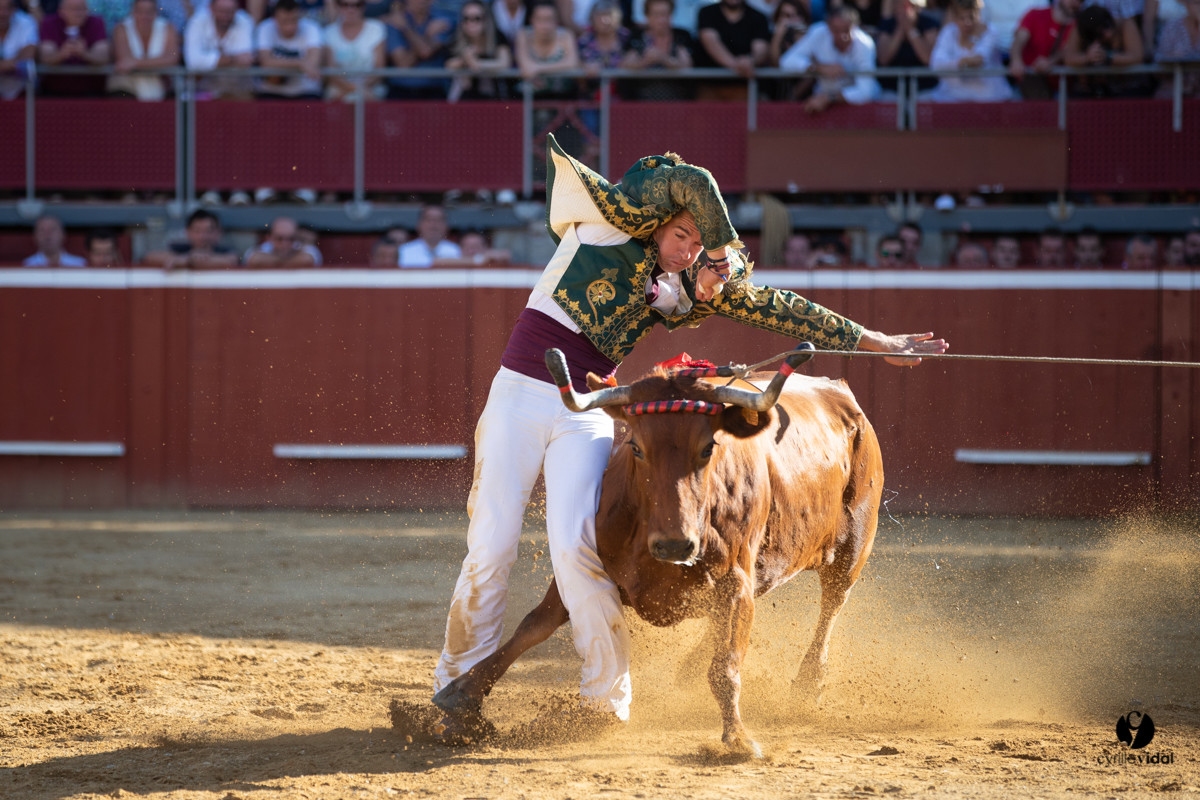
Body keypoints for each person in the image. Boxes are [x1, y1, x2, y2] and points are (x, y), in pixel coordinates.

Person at [430, 135, 949, 736]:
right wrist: (721, 237)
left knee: (581, 551)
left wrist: (879, 343)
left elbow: (786, 311)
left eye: (700, 247)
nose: (687, 252)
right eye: (682, 238)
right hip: (520, 391)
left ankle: (605, 702)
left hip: (590, 407)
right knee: (491, 544)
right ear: (660, 226)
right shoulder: (610, 228)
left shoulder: (684, 290)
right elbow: (691, 181)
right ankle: (453, 684)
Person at [779, 4, 880, 112]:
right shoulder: (818, 32)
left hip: (861, 111)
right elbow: (786, 61)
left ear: (855, 26)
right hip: (822, 109)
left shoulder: (865, 44)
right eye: (836, 31)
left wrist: (829, 98)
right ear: (829, 27)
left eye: (846, 30)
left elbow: (866, 92)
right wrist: (817, 68)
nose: (843, 36)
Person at [926, 0, 1015, 101]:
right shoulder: (948, 32)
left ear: (979, 14)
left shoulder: (990, 32)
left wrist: (972, 40)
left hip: (988, 100)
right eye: (962, 18)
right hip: (953, 98)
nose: (967, 22)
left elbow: (979, 60)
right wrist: (962, 61)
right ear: (954, 18)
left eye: (971, 17)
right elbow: (936, 64)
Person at [693, 0, 770, 100]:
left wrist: (751, 60)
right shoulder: (707, 13)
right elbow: (710, 41)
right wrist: (738, 65)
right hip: (709, 88)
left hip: (744, 89)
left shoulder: (758, 17)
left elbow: (761, 49)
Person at [1062, 4, 1145, 96]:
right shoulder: (1081, 27)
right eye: (1100, 33)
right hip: (1090, 92)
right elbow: (1068, 58)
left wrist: (1108, 57)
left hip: (1126, 91)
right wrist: (1087, 57)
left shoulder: (1125, 24)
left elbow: (1137, 57)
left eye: (1106, 26)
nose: (1108, 34)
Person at [107, 0, 180, 101]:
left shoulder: (168, 28)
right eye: (140, 11)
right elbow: (124, 60)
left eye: (149, 12)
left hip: (161, 90)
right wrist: (158, 62)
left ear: (156, 13)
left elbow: (172, 58)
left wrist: (135, 62)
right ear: (133, 12)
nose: (145, 16)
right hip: (127, 90)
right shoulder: (121, 28)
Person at [622, 0, 694, 99]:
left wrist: (664, 59)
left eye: (665, 14)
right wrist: (645, 61)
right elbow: (626, 65)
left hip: (677, 100)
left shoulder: (681, 36)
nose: (661, 20)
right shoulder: (638, 36)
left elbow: (687, 66)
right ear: (647, 16)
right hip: (642, 101)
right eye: (656, 14)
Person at [184, 0, 255, 99]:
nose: (225, 16)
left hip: (236, 90)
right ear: (211, 8)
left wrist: (208, 61)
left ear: (236, 9)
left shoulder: (245, 20)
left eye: (230, 11)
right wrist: (233, 59)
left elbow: (245, 61)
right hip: (203, 89)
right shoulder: (197, 21)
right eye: (222, 11)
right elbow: (192, 62)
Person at [385, 0, 455, 99]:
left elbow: (426, 52)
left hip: (434, 91)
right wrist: (427, 37)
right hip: (400, 91)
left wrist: (405, 28)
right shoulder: (396, 22)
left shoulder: (442, 21)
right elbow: (403, 63)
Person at [1008, 0, 1079, 99]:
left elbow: (1068, 50)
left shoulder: (1079, 25)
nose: (1075, 3)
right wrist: (1016, 59)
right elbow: (1019, 40)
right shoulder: (1035, 14)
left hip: (1062, 92)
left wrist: (1050, 62)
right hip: (1029, 87)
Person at [254, 0, 323, 99]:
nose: (290, 26)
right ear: (275, 19)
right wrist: (300, 63)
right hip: (271, 91)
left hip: (306, 92)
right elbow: (265, 61)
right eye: (285, 21)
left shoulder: (312, 27)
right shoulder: (265, 27)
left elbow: (313, 62)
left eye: (294, 20)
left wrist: (279, 65)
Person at [38, 0, 110, 96]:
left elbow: (103, 57)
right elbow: (45, 57)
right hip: (55, 91)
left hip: (90, 90)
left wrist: (84, 53)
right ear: (61, 11)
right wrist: (62, 54)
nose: (78, 13)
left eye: (81, 9)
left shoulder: (96, 22)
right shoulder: (49, 23)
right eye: (73, 9)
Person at [446, 0, 512, 101]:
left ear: (486, 20)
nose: (471, 23)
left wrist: (476, 64)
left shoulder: (497, 36)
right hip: (465, 99)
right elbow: (449, 64)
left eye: (477, 18)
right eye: (466, 18)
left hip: (495, 97)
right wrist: (465, 60)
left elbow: (504, 62)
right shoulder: (456, 39)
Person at [323, 0, 387, 101]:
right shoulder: (329, 32)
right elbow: (332, 72)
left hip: (370, 88)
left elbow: (378, 68)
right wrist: (355, 90)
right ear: (337, 6)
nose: (351, 9)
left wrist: (358, 90)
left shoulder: (376, 28)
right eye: (344, 5)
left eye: (357, 5)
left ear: (364, 6)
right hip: (340, 90)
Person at [515, 0, 579, 99]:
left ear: (556, 21)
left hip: (562, 98)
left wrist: (537, 69)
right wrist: (557, 67)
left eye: (549, 19)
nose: (545, 26)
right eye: (540, 20)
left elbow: (572, 63)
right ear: (532, 20)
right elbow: (526, 69)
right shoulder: (523, 34)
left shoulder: (566, 35)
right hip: (530, 99)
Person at [875, 0, 940, 94]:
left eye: (908, 6)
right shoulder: (887, 24)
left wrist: (911, 30)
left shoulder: (930, 24)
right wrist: (899, 31)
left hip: (925, 89)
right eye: (901, 5)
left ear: (917, 8)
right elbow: (883, 59)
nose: (904, 10)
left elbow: (928, 59)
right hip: (891, 89)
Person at [142, 209, 239, 270]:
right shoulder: (180, 249)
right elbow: (150, 256)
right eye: (197, 231)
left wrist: (186, 261)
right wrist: (189, 257)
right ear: (188, 232)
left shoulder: (225, 251)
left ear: (218, 233)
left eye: (209, 231)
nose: (203, 236)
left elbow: (232, 260)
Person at [1153, 0, 1200, 99]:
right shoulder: (1172, 27)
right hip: (1172, 92)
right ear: (1186, 4)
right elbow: (1158, 64)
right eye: (1196, 3)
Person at [398, 203, 462, 267]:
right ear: (419, 224)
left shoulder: (456, 251)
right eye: (429, 219)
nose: (433, 225)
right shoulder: (404, 251)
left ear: (447, 226)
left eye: (438, 220)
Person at [243, 216, 321, 267]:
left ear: (296, 237)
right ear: (269, 237)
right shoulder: (264, 247)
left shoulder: (305, 247)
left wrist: (274, 262)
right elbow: (253, 259)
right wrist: (290, 261)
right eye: (279, 239)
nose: (285, 244)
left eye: (290, 239)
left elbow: (307, 259)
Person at [0, 0, 38, 100]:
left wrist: (7, 64)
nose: (2, 13)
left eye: (6, 8)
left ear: (14, 9)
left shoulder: (26, 21)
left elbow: (29, 51)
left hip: (20, 87)